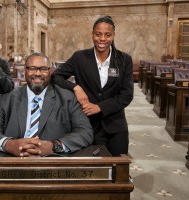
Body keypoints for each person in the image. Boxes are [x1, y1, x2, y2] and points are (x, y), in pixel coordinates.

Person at [0, 52, 93, 157]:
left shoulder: (67, 98)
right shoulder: (8, 98)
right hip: (14, 161)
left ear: (50, 72)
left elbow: (85, 132)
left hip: (54, 161)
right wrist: (8, 144)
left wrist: (54, 146)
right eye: (32, 69)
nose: (37, 74)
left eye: (43, 69)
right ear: (25, 71)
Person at [51, 16, 134, 156]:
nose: (102, 39)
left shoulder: (124, 59)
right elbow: (55, 77)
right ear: (92, 34)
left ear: (113, 36)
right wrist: (75, 88)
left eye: (107, 35)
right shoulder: (80, 58)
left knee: (119, 170)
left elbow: (127, 95)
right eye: (98, 34)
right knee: (92, 170)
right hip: (88, 125)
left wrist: (100, 107)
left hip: (115, 125)